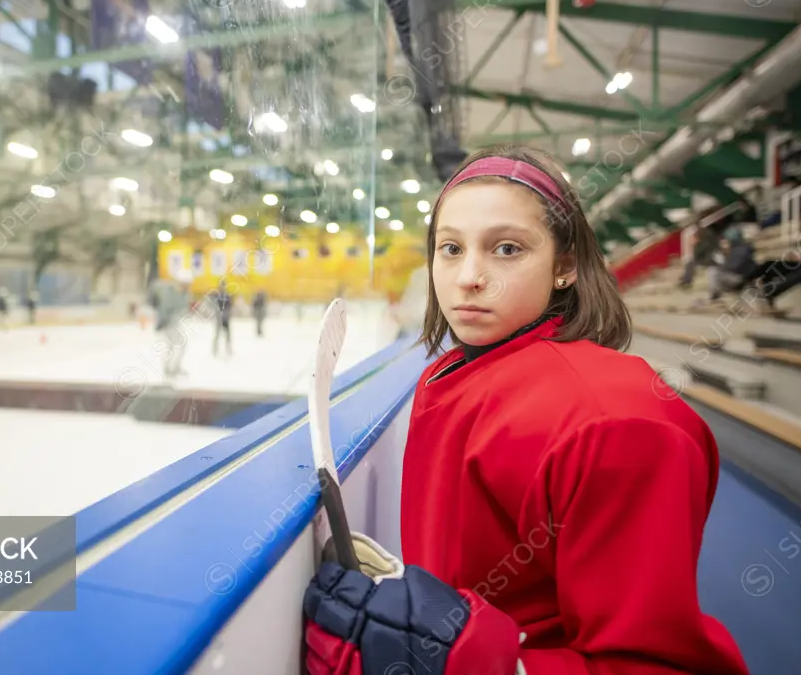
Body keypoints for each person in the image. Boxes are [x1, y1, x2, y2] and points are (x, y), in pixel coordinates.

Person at [302, 145, 748, 675]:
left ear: (565, 266)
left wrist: (483, 664)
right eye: (450, 248)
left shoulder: (614, 420)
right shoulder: (449, 376)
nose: (469, 276)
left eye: (507, 249)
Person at [151, 271, 192, 380]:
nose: (187, 287)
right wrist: (161, 322)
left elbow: (182, 309)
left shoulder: (182, 294)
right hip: (168, 324)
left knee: (173, 346)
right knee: (176, 346)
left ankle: (171, 368)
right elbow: (164, 307)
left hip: (174, 323)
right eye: (185, 285)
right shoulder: (169, 292)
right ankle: (171, 369)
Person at [707, 226, 756, 301]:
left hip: (739, 280)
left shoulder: (741, 249)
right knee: (713, 269)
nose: (724, 241)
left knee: (712, 271)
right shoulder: (743, 248)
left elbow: (733, 267)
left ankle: (715, 297)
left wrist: (726, 255)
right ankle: (715, 296)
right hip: (740, 280)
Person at [212, 279, 233, 356]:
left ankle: (228, 349)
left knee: (227, 335)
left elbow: (229, 306)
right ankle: (215, 350)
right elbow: (214, 305)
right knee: (217, 335)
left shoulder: (227, 295)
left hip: (225, 318)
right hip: (219, 318)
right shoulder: (216, 295)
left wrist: (227, 315)